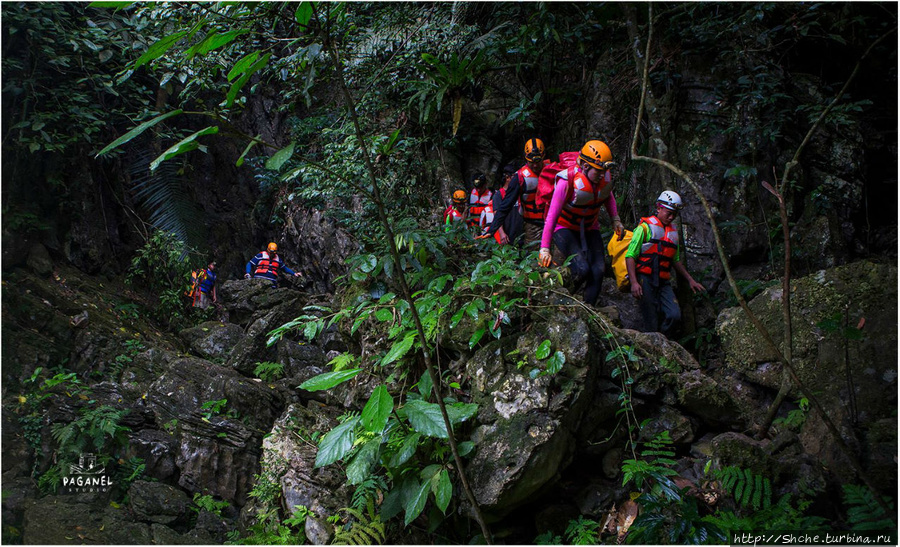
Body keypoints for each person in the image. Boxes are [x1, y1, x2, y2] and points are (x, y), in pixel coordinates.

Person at [538, 139, 625, 306]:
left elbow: (608, 195)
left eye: (604, 171)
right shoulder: (567, 181)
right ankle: (558, 300)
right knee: (581, 269)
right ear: (585, 166)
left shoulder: (603, 177)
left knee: (599, 271)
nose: (602, 175)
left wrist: (616, 219)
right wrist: (544, 248)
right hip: (564, 227)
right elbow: (551, 217)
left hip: (590, 226)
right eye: (598, 171)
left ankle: (588, 308)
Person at [625, 190, 705, 336]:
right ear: (659, 208)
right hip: (645, 279)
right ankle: (654, 346)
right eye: (668, 212)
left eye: (674, 214)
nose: (671, 217)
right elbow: (630, 255)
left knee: (674, 315)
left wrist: (690, 280)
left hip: (663, 281)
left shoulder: (673, 233)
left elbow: (675, 260)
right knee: (651, 318)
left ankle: (663, 340)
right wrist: (634, 282)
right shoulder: (644, 228)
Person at [482, 138, 547, 246]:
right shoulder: (519, 178)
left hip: (553, 223)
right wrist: (491, 230)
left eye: (537, 161)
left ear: (543, 156)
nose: (535, 166)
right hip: (532, 224)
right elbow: (504, 207)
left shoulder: (553, 171)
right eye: (531, 162)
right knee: (534, 257)